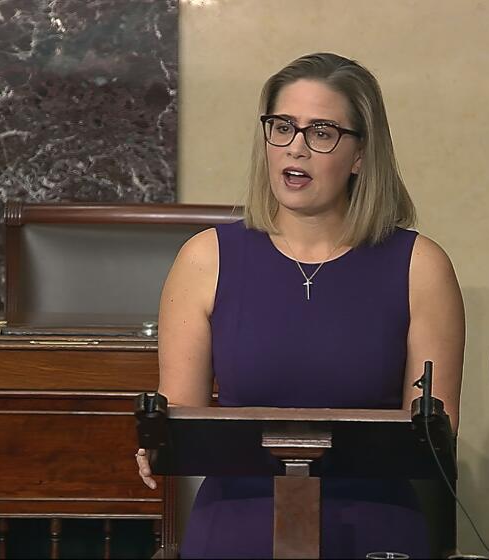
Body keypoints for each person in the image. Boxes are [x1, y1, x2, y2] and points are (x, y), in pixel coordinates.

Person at [136, 52, 464, 558]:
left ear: (360, 155)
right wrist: (156, 441)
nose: (297, 148)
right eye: (283, 127)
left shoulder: (421, 266)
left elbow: (434, 439)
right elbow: (181, 418)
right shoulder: (205, 259)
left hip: (373, 525)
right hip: (236, 522)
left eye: (322, 132)